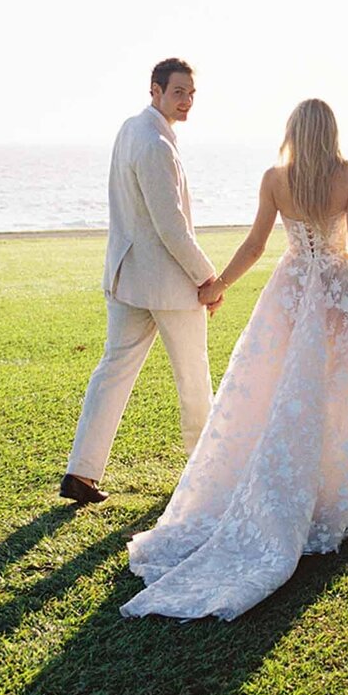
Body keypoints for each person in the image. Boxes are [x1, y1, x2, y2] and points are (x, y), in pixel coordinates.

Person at [121, 98, 348, 620]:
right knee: (341, 385)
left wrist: (217, 284)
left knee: (280, 388)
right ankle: (338, 482)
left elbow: (253, 245)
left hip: (291, 289)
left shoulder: (275, 178)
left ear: (293, 131)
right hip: (338, 288)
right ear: (331, 131)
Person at [61, 58, 223, 506]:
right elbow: (171, 227)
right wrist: (208, 277)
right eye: (177, 92)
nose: (186, 100)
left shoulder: (130, 129)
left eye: (191, 93)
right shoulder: (154, 143)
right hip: (166, 286)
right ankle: (204, 475)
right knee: (193, 378)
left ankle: (81, 471)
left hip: (128, 277)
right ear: (155, 91)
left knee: (113, 371)